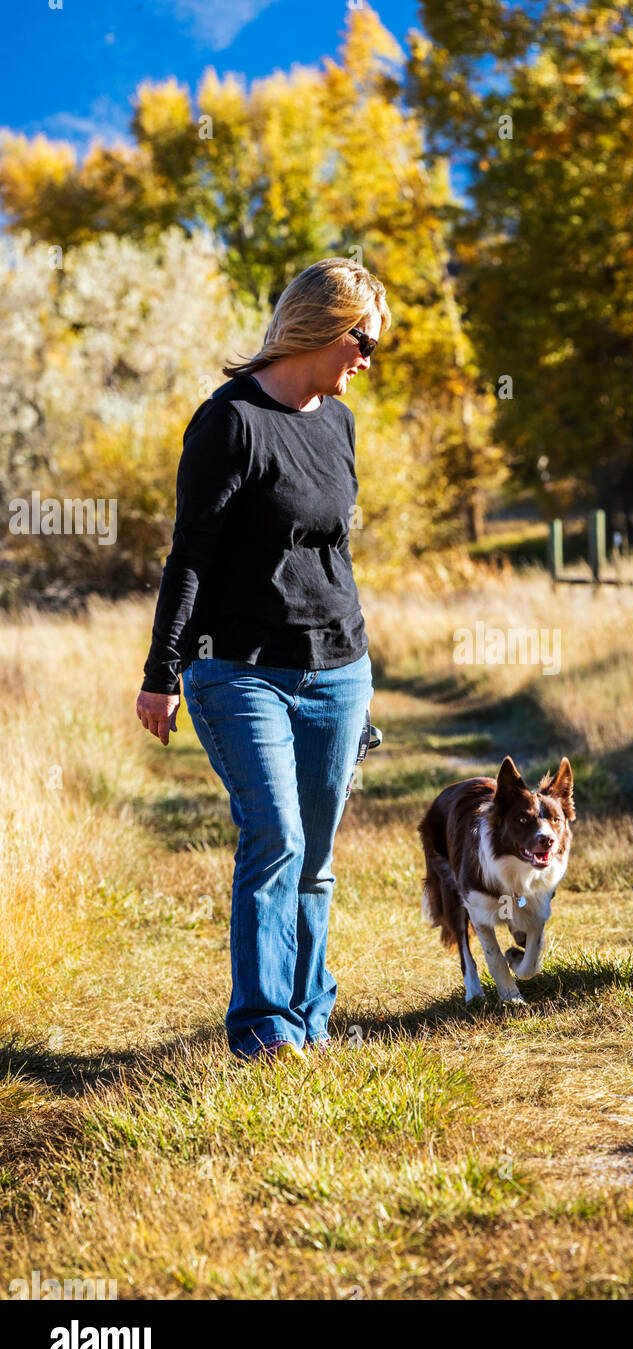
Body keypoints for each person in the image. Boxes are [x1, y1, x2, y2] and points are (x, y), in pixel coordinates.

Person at [136, 258, 390, 1064]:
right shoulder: (230, 421)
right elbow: (191, 558)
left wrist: (354, 679)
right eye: (365, 342)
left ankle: (311, 1016)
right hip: (238, 668)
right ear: (325, 326)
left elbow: (333, 551)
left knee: (315, 857)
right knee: (275, 835)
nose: (368, 360)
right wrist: (160, 672)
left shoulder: (338, 424)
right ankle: (262, 1031)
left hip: (338, 671)